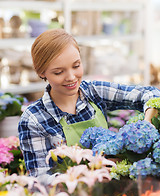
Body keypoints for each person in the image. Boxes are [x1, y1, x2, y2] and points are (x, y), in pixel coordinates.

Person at [18, 28, 160, 184]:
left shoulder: (94, 92)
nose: (71, 77)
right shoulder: (33, 119)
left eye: (76, 66)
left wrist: (147, 125)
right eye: (59, 72)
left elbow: (151, 94)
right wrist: (87, 175)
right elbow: (39, 178)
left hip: (111, 189)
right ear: (41, 72)